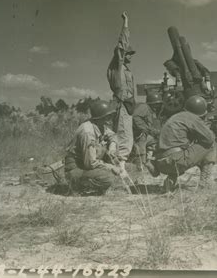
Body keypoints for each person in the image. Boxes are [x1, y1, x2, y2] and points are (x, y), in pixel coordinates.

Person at [151, 95, 217, 192]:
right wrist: (206, 127)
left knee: (181, 152)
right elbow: (209, 139)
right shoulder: (193, 118)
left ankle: (170, 182)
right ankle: (205, 183)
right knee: (211, 145)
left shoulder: (177, 116)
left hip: (161, 163)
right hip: (175, 161)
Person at [64, 100, 122, 195]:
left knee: (109, 167)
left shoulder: (99, 125)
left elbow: (112, 135)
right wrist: (111, 167)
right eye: (108, 116)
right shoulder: (87, 133)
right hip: (76, 168)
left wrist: (112, 147)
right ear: (100, 117)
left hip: (84, 165)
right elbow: (90, 163)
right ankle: (77, 187)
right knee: (108, 178)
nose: (110, 118)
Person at [107, 11, 136, 163]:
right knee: (125, 136)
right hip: (122, 105)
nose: (130, 56)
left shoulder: (125, 69)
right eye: (128, 53)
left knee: (123, 135)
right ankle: (121, 166)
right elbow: (122, 43)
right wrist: (126, 22)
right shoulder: (117, 66)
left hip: (127, 105)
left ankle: (118, 162)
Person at [131, 90, 164, 171]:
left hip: (145, 134)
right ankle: (140, 166)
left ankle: (147, 162)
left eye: (159, 104)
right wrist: (144, 128)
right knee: (141, 146)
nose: (158, 106)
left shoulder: (151, 110)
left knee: (154, 143)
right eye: (156, 104)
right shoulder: (144, 107)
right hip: (138, 134)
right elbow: (135, 116)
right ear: (152, 103)